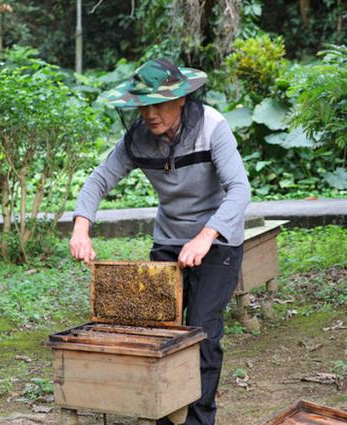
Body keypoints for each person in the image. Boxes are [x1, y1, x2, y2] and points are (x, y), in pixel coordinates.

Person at [69, 58, 251, 425]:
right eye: (143, 105)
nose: (150, 114)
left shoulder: (214, 127)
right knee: (161, 331)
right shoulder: (137, 138)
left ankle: (199, 420)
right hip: (168, 241)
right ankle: (167, 412)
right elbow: (98, 181)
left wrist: (205, 236)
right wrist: (80, 228)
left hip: (218, 241)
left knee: (201, 328)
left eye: (158, 104)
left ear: (181, 98)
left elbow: (239, 190)